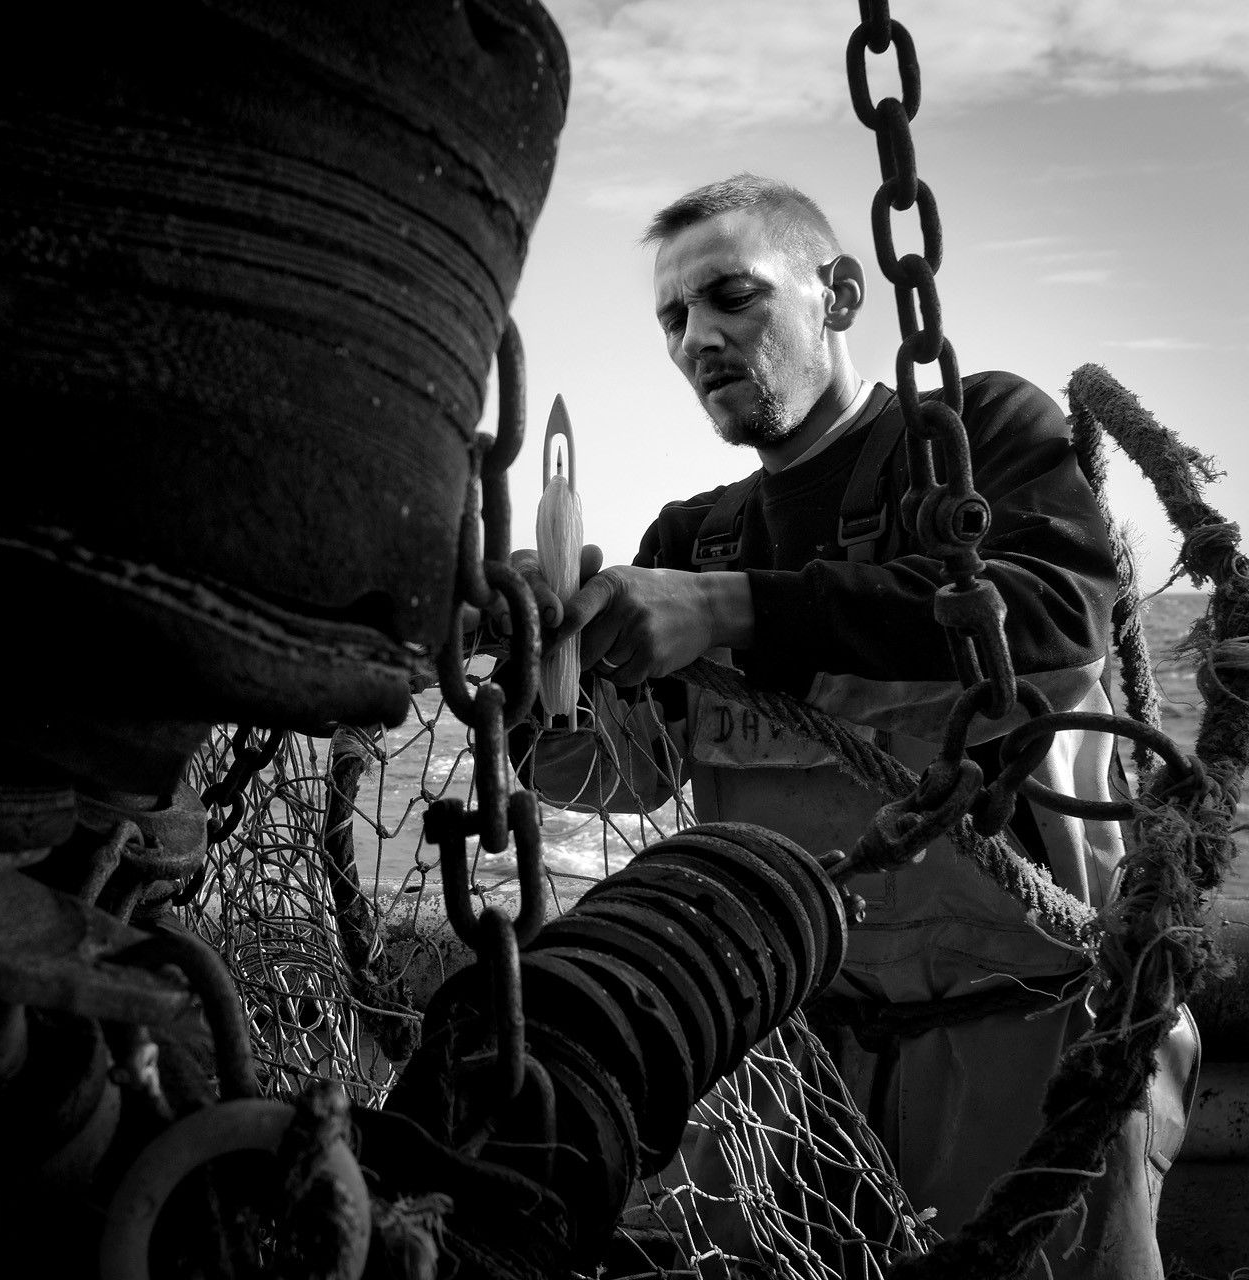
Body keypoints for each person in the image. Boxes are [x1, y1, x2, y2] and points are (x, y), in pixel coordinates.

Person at [505, 174, 1197, 1278]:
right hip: (793, 1055)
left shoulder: (980, 436)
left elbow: (1060, 612)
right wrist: (537, 671)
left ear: (836, 290)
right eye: (673, 320)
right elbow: (622, 773)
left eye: (732, 296)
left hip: (1036, 1038)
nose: (698, 340)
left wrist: (737, 611)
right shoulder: (695, 535)